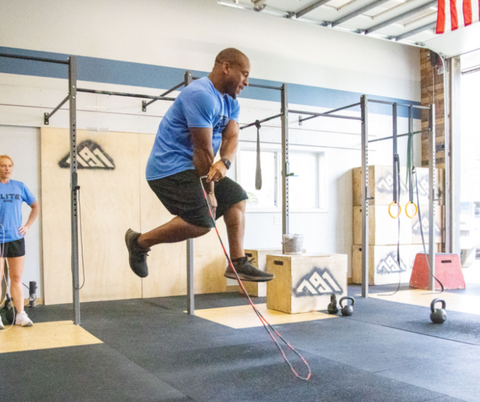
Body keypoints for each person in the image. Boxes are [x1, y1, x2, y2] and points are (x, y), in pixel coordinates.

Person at [125, 48, 273, 283]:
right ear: (226, 68)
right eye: (244, 74)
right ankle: (139, 242)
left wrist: (225, 162)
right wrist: (210, 192)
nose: (247, 82)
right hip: (167, 169)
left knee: (237, 198)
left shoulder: (230, 102)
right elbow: (202, 150)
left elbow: (232, 137)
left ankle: (237, 263)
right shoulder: (200, 94)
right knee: (203, 222)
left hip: (194, 168)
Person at [0, 155, 39, 328]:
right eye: (3, 166)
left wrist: (28, 226)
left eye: (9, 166)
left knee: (16, 277)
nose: (7, 169)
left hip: (16, 239)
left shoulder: (19, 186)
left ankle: (20, 315)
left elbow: (35, 206)